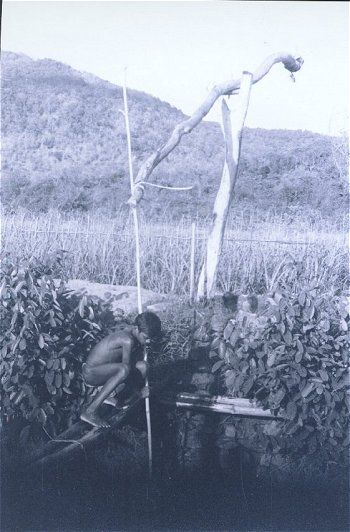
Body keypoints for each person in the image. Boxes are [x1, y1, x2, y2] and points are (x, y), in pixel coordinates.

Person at [80, 311, 161, 428]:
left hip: (105, 371)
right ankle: (90, 411)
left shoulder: (133, 333)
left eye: (150, 339)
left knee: (143, 366)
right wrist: (139, 392)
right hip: (91, 373)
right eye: (146, 338)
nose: (148, 342)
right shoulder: (128, 340)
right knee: (124, 369)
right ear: (137, 329)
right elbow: (126, 370)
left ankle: (118, 398)